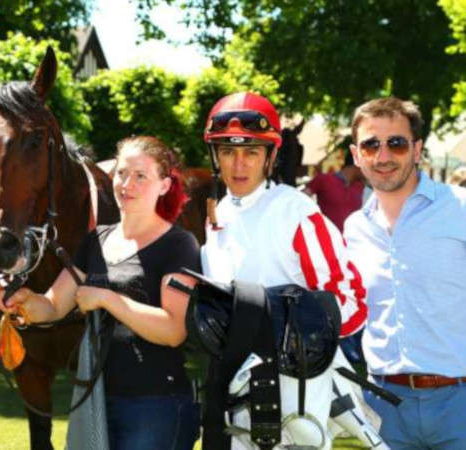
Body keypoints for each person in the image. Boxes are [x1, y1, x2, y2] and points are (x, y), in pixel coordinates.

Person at [0, 136, 201, 449]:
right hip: (98, 400)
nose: (126, 184)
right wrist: (24, 303)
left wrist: (106, 298)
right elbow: (53, 306)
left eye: (140, 176)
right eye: (121, 173)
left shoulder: (179, 244)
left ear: (164, 185)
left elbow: (173, 330)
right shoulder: (96, 241)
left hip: (155, 406)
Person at [199, 92, 368, 448]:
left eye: (251, 152)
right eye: (227, 151)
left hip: (295, 397)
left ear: (270, 157)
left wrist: (287, 332)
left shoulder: (296, 212)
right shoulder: (220, 212)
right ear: (215, 156)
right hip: (231, 390)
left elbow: (351, 303)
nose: (239, 165)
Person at [344, 97, 466, 449]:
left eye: (396, 143)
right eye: (371, 145)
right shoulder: (353, 228)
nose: (383, 156)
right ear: (356, 155)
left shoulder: (459, 208)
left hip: (459, 401)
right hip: (384, 405)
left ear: (417, 149)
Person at [304, 147, 365, 231]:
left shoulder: (361, 187)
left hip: (352, 238)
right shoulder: (324, 179)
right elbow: (298, 200)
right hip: (325, 236)